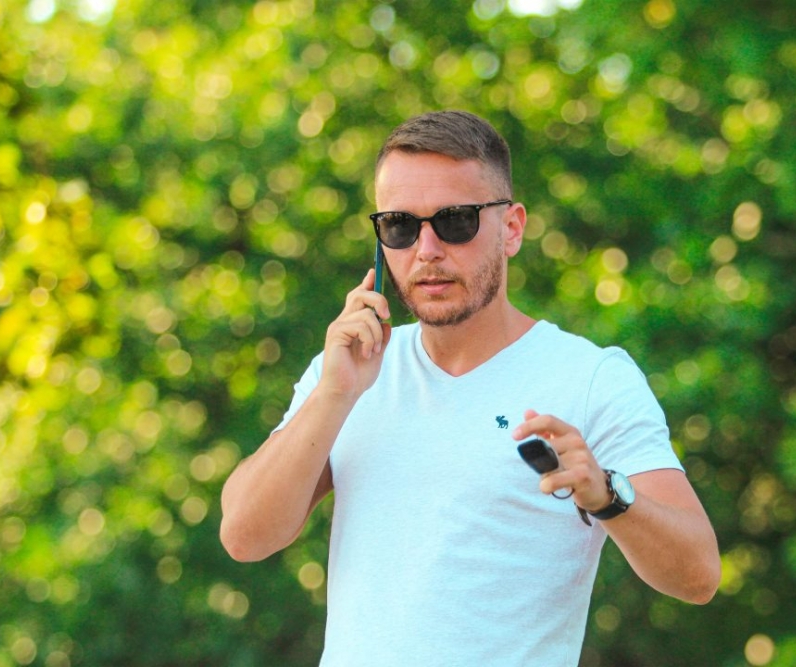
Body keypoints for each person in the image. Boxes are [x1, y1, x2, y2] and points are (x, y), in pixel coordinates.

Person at [220, 110, 720, 666]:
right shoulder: (348, 370)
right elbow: (245, 536)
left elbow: (698, 575)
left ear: (512, 228)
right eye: (400, 226)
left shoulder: (591, 378)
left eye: (455, 221)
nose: (427, 249)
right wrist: (334, 394)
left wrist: (606, 494)